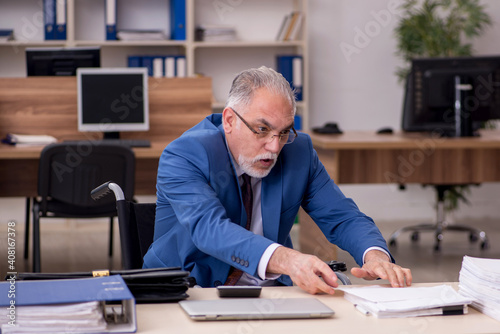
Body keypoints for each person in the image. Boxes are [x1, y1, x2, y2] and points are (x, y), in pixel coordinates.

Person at [143, 66, 412, 294]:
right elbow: (210, 230)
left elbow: (342, 216)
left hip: (272, 293)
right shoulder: (185, 155)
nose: (274, 147)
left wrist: (374, 254)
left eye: (284, 132)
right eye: (262, 130)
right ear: (229, 121)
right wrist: (288, 259)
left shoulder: (299, 151)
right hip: (187, 290)